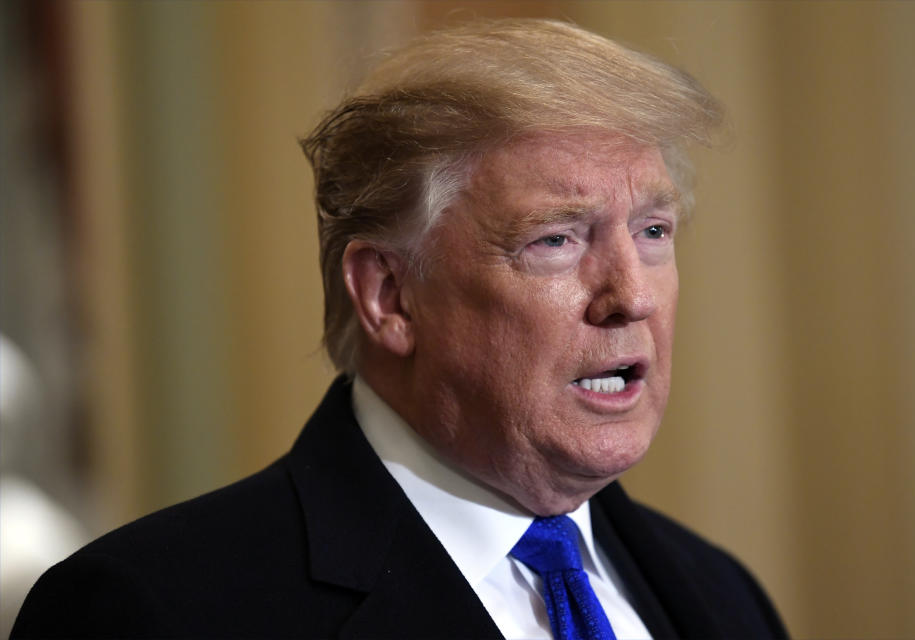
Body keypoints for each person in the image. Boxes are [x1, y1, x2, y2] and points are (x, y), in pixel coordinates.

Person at [12, 18, 788, 639]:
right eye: (556, 239)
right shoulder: (155, 610)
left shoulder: (718, 595)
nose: (631, 297)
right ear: (388, 295)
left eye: (653, 232)